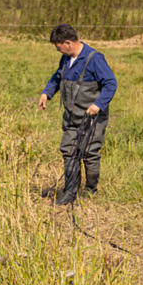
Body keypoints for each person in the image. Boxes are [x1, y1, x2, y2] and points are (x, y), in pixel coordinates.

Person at [38, 23, 118, 205]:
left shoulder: (94, 58)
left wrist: (98, 104)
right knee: (68, 150)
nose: (58, 51)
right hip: (72, 116)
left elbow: (111, 83)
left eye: (59, 47)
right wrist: (46, 93)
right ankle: (70, 192)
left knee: (89, 152)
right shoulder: (66, 59)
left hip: (92, 118)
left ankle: (90, 190)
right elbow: (58, 77)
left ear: (68, 43)